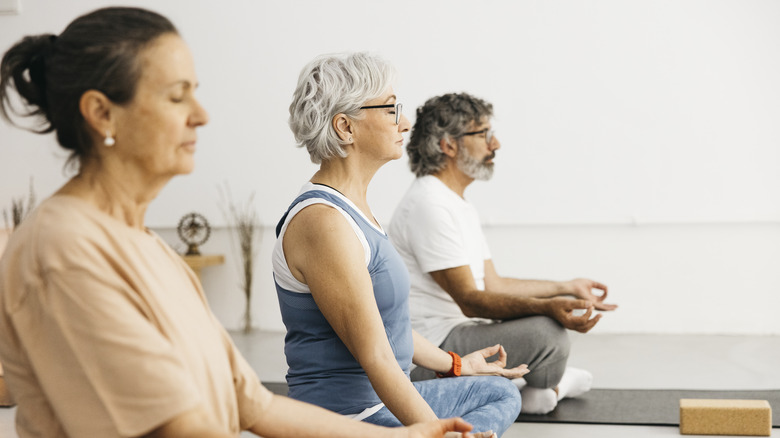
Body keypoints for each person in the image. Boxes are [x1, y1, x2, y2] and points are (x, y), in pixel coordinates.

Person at [0, 8, 481, 438]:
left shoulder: (147, 249)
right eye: (176, 97)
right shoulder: (63, 252)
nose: (201, 116)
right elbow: (180, 427)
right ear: (102, 114)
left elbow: (253, 405)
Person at [274, 53, 528, 438]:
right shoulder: (323, 224)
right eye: (392, 110)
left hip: (377, 404)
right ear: (345, 127)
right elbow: (377, 358)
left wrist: (457, 365)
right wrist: (436, 431)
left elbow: (386, 328)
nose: (405, 123)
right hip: (347, 422)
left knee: (500, 391)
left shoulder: (353, 210)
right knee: (482, 406)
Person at [388, 92, 619, 415]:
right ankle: (543, 388)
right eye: (483, 134)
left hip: (458, 338)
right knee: (547, 334)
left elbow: (492, 284)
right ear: (449, 145)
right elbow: (470, 300)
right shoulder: (429, 205)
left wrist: (566, 287)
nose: (494, 144)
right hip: (431, 353)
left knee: (543, 323)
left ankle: (529, 390)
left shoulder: (455, 203)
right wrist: (548, 309)